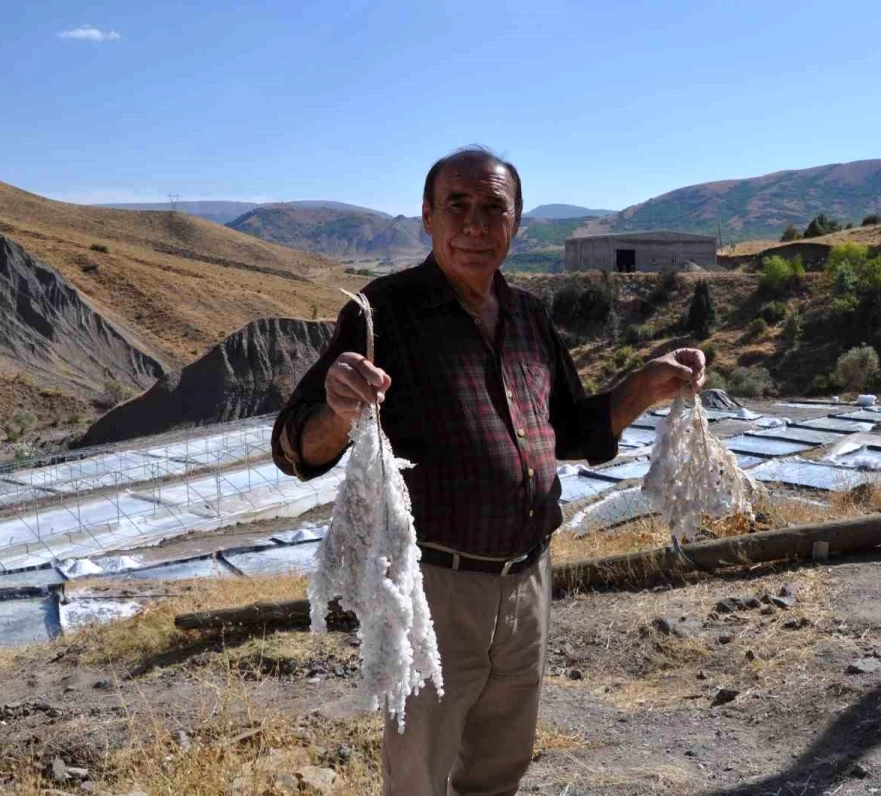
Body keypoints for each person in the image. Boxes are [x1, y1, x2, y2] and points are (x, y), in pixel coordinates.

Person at [272, 146, 705, 796]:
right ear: (427, 216)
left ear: (515, 222)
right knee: (418, 774)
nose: (475, 225)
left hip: (528, 583)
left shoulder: (530, 318)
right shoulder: (384, 312)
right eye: (458, 207)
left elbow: (577, 430)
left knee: (500, 768)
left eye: (492, 209)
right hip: (435, 594)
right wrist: (338, 411)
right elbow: (294, 446)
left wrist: (645, 387)